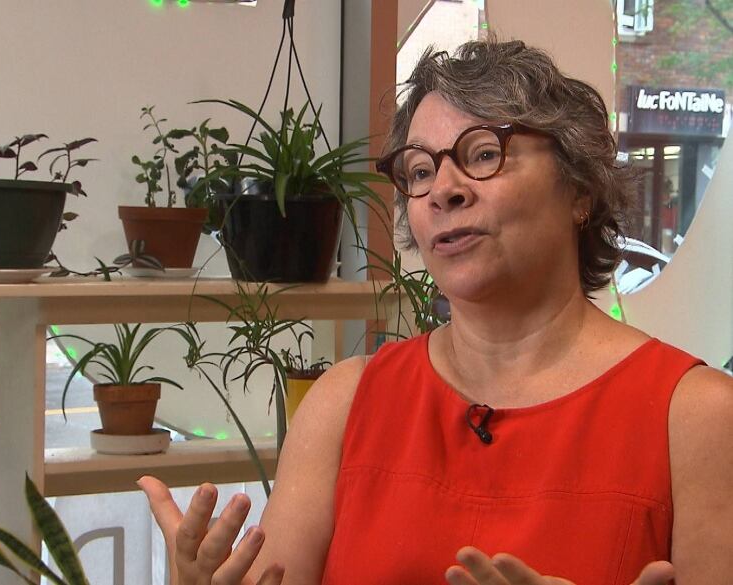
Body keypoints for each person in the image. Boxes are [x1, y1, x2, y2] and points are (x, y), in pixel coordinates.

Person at [139, 37, 733, 585]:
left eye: (482, 154)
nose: (443, 190)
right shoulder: (344, 404)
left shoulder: (697, 417)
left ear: (580, 189)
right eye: (419, 171)